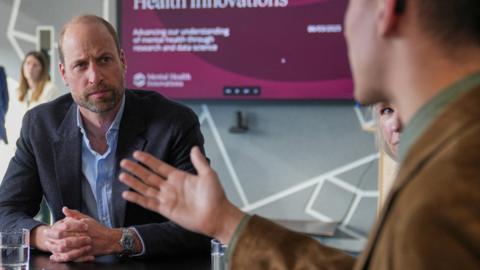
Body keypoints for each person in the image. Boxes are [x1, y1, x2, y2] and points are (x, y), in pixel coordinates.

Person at [119, 0, 480, 269]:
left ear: (387, 11)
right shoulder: (447, 150)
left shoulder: (450, 177)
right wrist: (226, 222)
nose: (344, 28)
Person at [0, 15, 209, 263]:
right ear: (64, 73)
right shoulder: (40, 126)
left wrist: (116, 239)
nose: (94, 76)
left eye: (104, 60)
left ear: (122, 61)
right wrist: (48, 236)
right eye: (80, 65)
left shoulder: (173, 123)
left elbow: (201, 222)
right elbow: (5, 212)